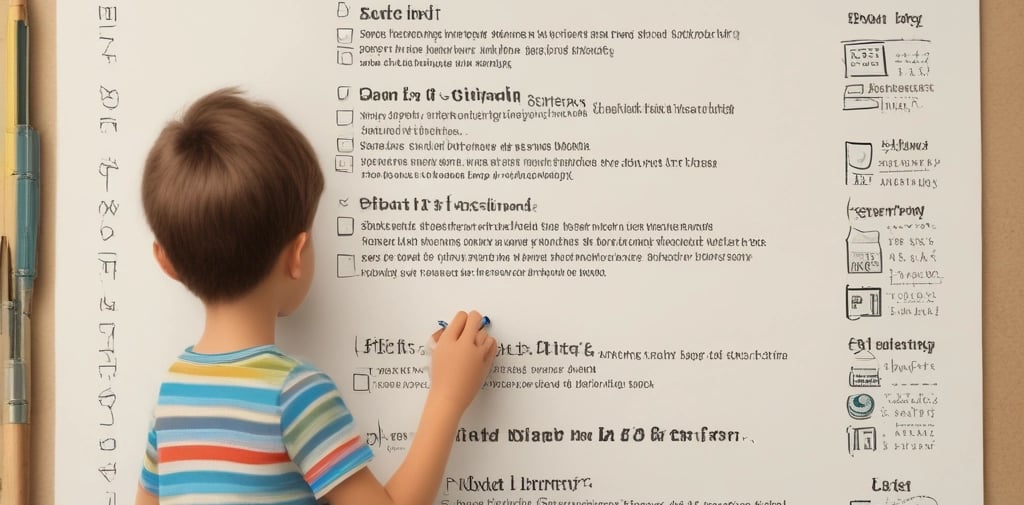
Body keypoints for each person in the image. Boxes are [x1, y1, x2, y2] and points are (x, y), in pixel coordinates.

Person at [134, 88, 497, 505]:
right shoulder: (293, 393)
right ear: (298, 255)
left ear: (167, 262)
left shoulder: (174, 394)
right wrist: (447, 397)